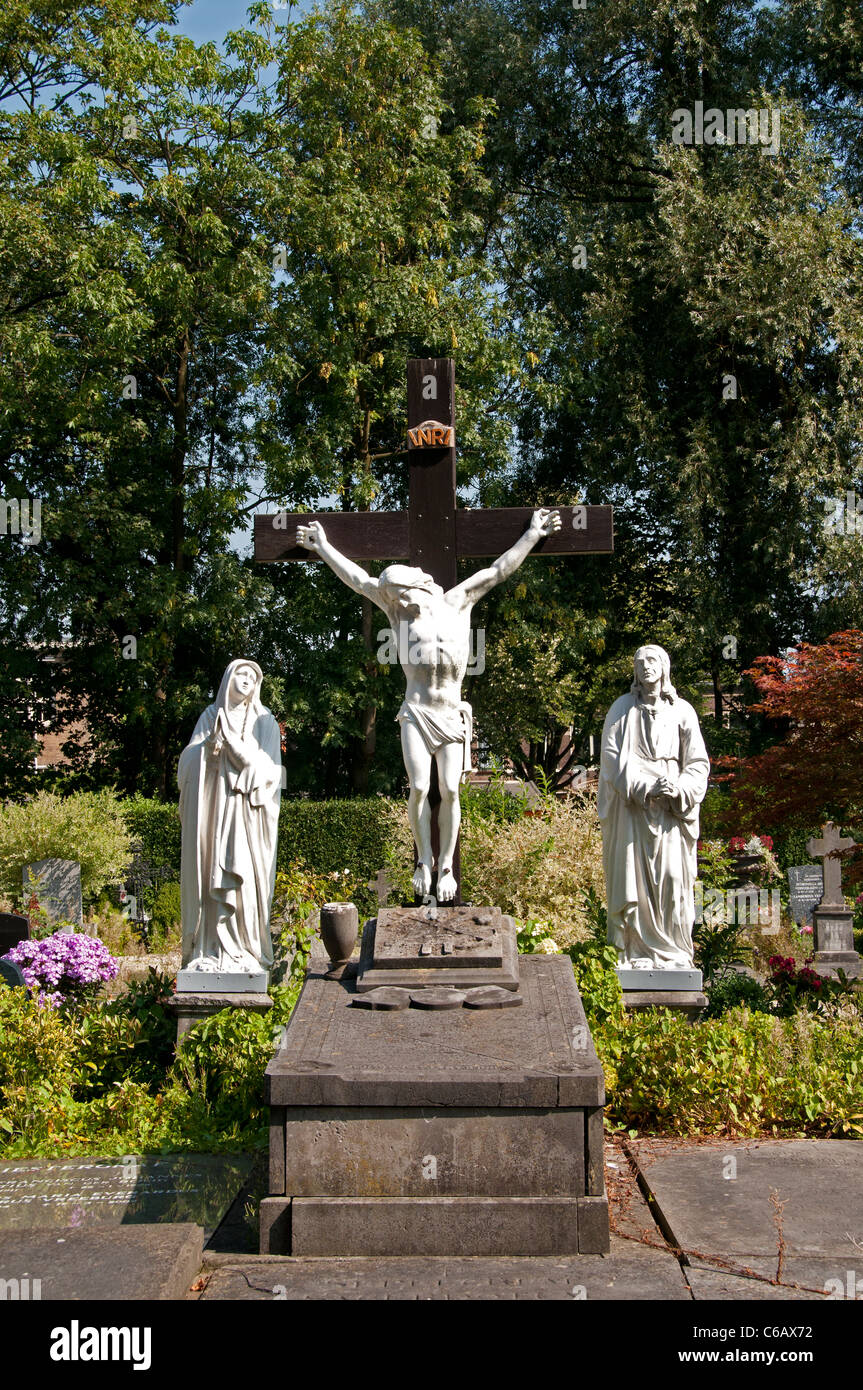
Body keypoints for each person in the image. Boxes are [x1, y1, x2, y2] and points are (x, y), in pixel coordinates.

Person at [297, 509, 561, 901]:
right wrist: (322, 547)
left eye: (402, 594)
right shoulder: (395, 610)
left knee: (451, 790)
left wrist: (532, 535)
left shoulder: (458, 602)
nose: (397, 601)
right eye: (393, 598)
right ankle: (424, 861)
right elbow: (357, 580)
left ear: (420, 586)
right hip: (416, 713)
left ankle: (448, 866)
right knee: (420, 787)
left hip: (451, 713)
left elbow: (498, 570)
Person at [597, 645, 710, 969]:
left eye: (652, 661)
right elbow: (610, 759)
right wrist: (646, 786)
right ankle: (636, 953)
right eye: (639, 662)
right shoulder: (622, 709)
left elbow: (698, 762)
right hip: (635, 810)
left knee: (674, 880)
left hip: (672, 810)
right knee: (634, 883)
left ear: (664, 668)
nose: (645, 666)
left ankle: (675, 954)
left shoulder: (683, 711)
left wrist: (680, 787)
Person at [178, 659, 282, 973]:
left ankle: (246, 951)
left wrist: (234, 748)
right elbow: (186, 765)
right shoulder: (210, 716)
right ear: (228, 679)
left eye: (253, 676)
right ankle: (208, 949)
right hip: (213, 815)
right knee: (211, 879)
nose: (248, 679)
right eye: (242, 673)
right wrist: (208, 751)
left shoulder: (264, 721)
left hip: (246, 819)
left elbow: (268, 770)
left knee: (245, 882)